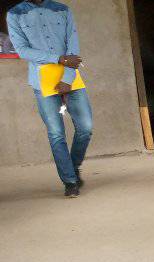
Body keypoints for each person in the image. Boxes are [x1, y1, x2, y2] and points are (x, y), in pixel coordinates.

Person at [7, 0, 92, 197]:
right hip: (42, 81)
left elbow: (73, 43)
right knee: (56, 133)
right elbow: (22, 50)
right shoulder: (15, 14)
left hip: (71, 78)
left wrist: (67, 78)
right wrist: (59, 59)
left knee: (85, 128)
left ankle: (73, 166)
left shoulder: (62, 9)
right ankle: (70, 181)